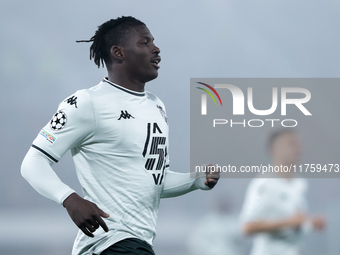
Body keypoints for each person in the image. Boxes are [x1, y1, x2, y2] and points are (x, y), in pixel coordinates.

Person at [21, 16, 220, 255]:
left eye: (153, 42)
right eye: (145, 43)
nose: (156, 49)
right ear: (118, 52)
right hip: (112, 242)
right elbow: (32, 162)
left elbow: (155, 181)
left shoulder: (157, 107)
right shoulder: (87, 102)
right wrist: (69, 199)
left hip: (135, 243)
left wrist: (197, 179)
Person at [239, 129, 325, 255]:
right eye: (290, 144)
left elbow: (295, 223)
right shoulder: (264, 183)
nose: (297, 149)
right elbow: (247, 227)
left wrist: (311, 222)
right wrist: (289, 222)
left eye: (298, 144)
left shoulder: (299, 183)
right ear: (273, 149)